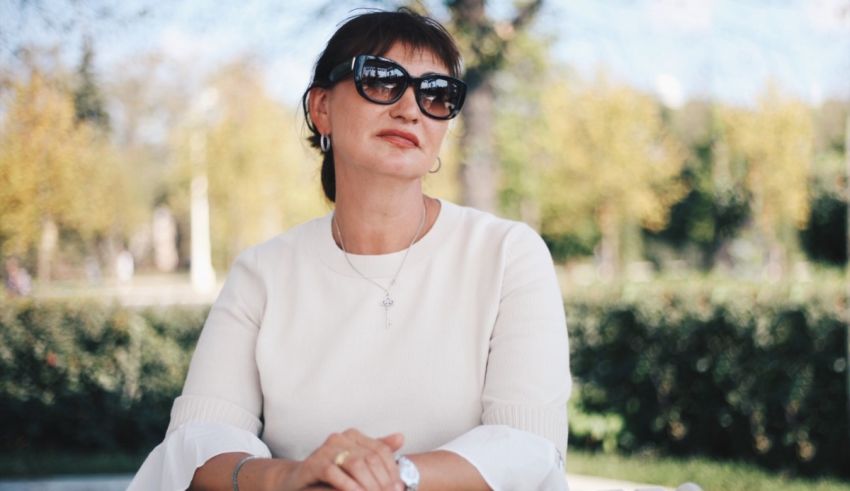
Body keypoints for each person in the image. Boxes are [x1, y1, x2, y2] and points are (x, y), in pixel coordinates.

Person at [129, 8, 570, 491]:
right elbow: (197, 443)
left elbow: (528, 446)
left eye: (436, 95)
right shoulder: (262, 273)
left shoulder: (508, 254)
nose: (409, 108)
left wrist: (388, 477)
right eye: (381, 81)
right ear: (321, 108)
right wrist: (292, 477)